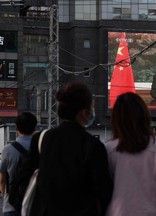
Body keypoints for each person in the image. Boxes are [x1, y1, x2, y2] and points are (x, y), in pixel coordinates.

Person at [18, 81, 113, 216]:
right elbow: (104, 190)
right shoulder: (93, 145)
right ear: (84, 112)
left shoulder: (41, 139)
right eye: (91, 106)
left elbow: (23, 178)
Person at [0, 112, 37, 216]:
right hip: (34, 206)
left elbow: (2, 180)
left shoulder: (7, 150)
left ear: (16, 128)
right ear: (34, 128)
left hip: (11, 206)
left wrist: (7, 197)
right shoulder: (41, 148)